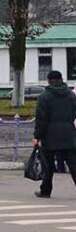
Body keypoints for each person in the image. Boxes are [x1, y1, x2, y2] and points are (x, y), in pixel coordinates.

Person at [33, 70, 76, 198]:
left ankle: (46, 191)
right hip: (69, 133)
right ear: (61, 79)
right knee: (73, 164)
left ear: (48, 80)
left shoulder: (44, 97)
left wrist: (37, 136)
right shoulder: (71, 95)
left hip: (49, 135)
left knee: (48, 165)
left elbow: (41, 119)